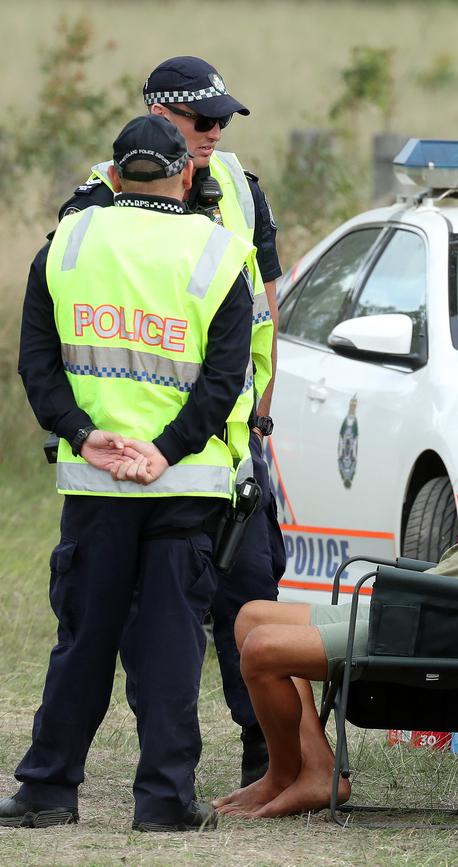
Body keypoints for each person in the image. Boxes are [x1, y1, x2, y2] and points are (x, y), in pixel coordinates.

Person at [212, 356, 458, 819]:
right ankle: (312, 769)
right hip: (422, 610)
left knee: (262, 649)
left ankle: (292, 776)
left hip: (436, 628)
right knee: (253, 616)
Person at [1, 115, 255, 831]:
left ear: (113, 177)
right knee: (172, 641)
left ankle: (48, 789)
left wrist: (83, 435)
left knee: (83, 637)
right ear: (187, 174)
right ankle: (165, 802)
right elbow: (225, 381)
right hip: (183, 484)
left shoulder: (67, 245)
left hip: (96, 482)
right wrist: (167, 450)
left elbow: (36, 365)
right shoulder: (220, 252)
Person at [58, 55, 286, 785]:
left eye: (223, 118)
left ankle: (267, 752)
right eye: (200, 119)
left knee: (248, 596)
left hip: (228, 444)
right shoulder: (98, 193)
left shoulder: (242, 193)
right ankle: (107, 770)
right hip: (123, 449)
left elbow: (265, 304)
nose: (214, 131)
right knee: (117, 618)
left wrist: (260, 414)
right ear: (159, 111)